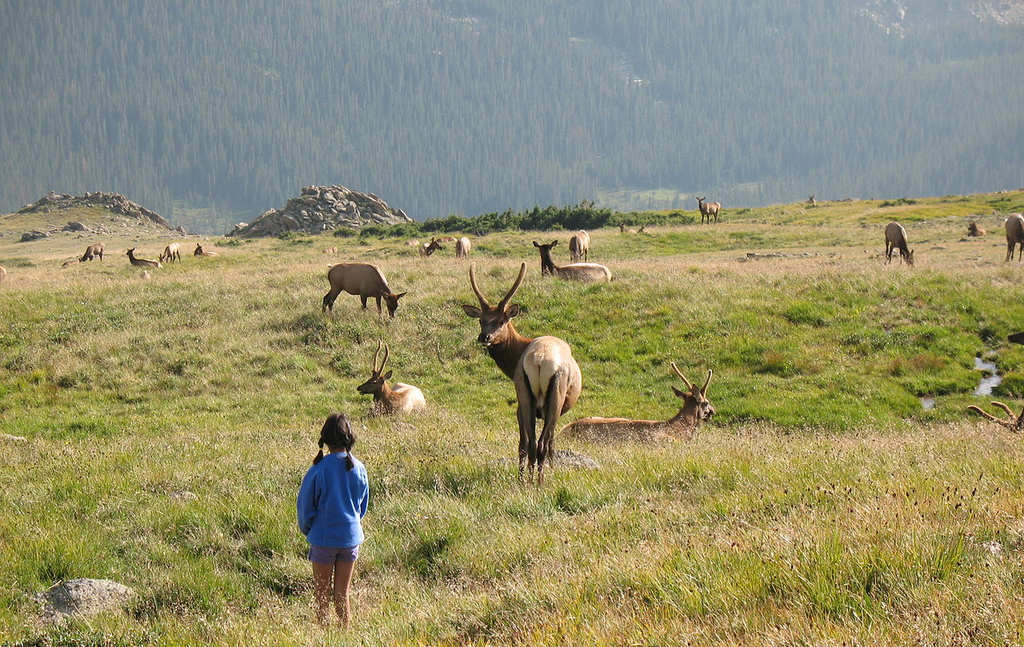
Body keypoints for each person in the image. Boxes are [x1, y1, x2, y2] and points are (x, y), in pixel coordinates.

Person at [297, 413, 369, 628]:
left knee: (321, 595)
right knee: (342, 594)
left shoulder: (318, 470)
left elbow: (305, 509)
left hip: (323, 539)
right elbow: (361, 507)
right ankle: (345, 633)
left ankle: (324, 635)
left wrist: (309, 530)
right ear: (349, 438)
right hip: (350, 539)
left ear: (325, 439)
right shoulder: (359, 468)